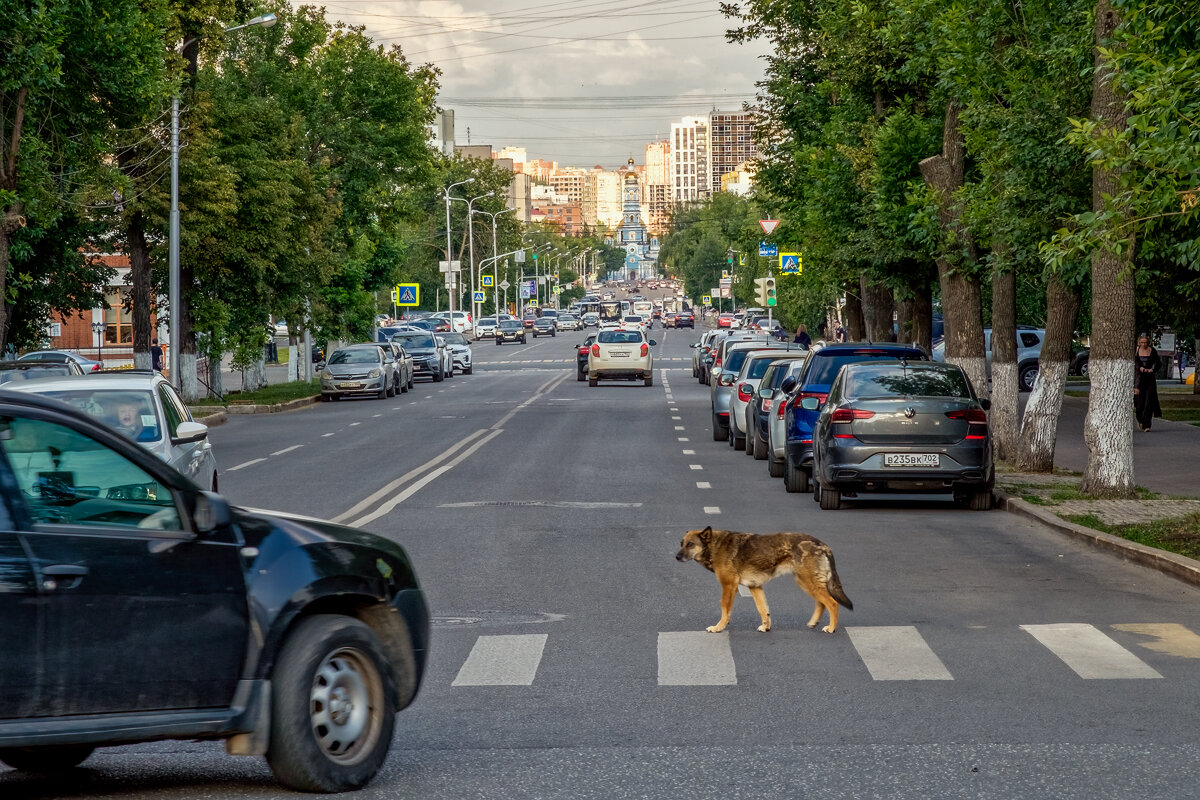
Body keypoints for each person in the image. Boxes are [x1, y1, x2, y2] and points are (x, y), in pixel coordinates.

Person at [1133, 333, 1162, 432]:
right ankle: (1141, 419)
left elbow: (1158, 363)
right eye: (1142, 342)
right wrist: (1139, 367)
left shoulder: (1152, 350)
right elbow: (1133, 364)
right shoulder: (1135, 351)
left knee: (1149, 401)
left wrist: (1152, 370)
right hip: (1139, 380)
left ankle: (1147, 425)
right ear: (1139, 342)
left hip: (1149, 379)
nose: (1143, 344)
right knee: (1139, 402)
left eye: (1145, 342)